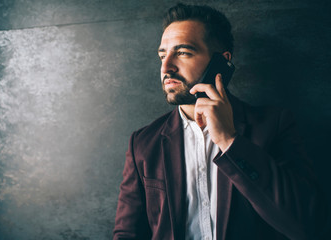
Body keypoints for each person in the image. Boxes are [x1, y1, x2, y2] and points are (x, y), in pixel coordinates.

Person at [113, 3, 327, 240]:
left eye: (183, 52)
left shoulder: (273, 125)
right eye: (163, 55)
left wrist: (229, 140)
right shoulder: (143, 143)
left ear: (222, 62)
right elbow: (127, 233)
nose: (166, 67)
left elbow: (307, 225)